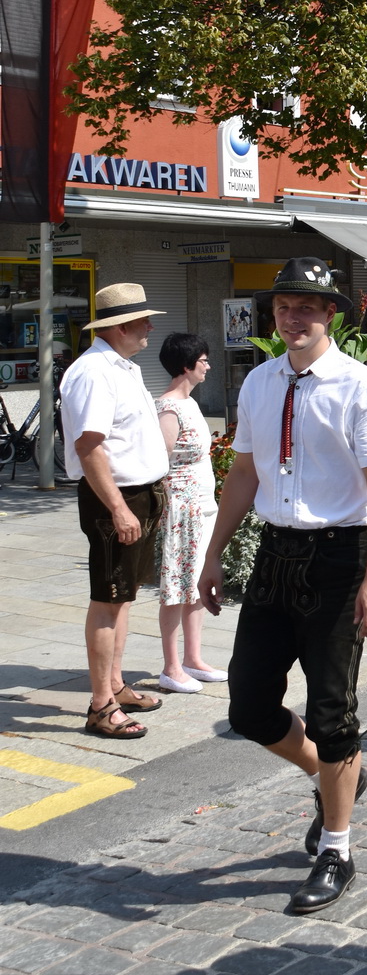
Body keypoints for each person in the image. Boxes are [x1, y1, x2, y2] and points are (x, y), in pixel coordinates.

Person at [199, 256, 367, 914]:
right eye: (285, 306)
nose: (294, 316)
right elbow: (242, 476)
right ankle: (335, 775)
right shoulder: (258, 382)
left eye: (308, 306)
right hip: (276, 555)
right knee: (249, 707)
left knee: (332, 710)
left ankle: (336, 848)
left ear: (332, 314)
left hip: (340, 559)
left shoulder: (359, 385)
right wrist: (211, 555)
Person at [59, 283, 170, 740]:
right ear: (121, 326)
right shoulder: (94, 372)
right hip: (116, 500)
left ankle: (115, 685)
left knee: (123, 595)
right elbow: (89, 449)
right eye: (144, 320)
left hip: (136, 496)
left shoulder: (121, 366)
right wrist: (121, 510)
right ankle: (101, 705)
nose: (149, 327)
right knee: (108, 599)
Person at [155, 333, 225, 694]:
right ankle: (170, 666)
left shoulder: (190, 403)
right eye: (203, 360)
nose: (208, 366)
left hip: (202, 505)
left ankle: (193, 658)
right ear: (186, 365)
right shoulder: (169, 407)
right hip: (183, 508)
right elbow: (158, 461)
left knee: (196, 583)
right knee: (176, 586)